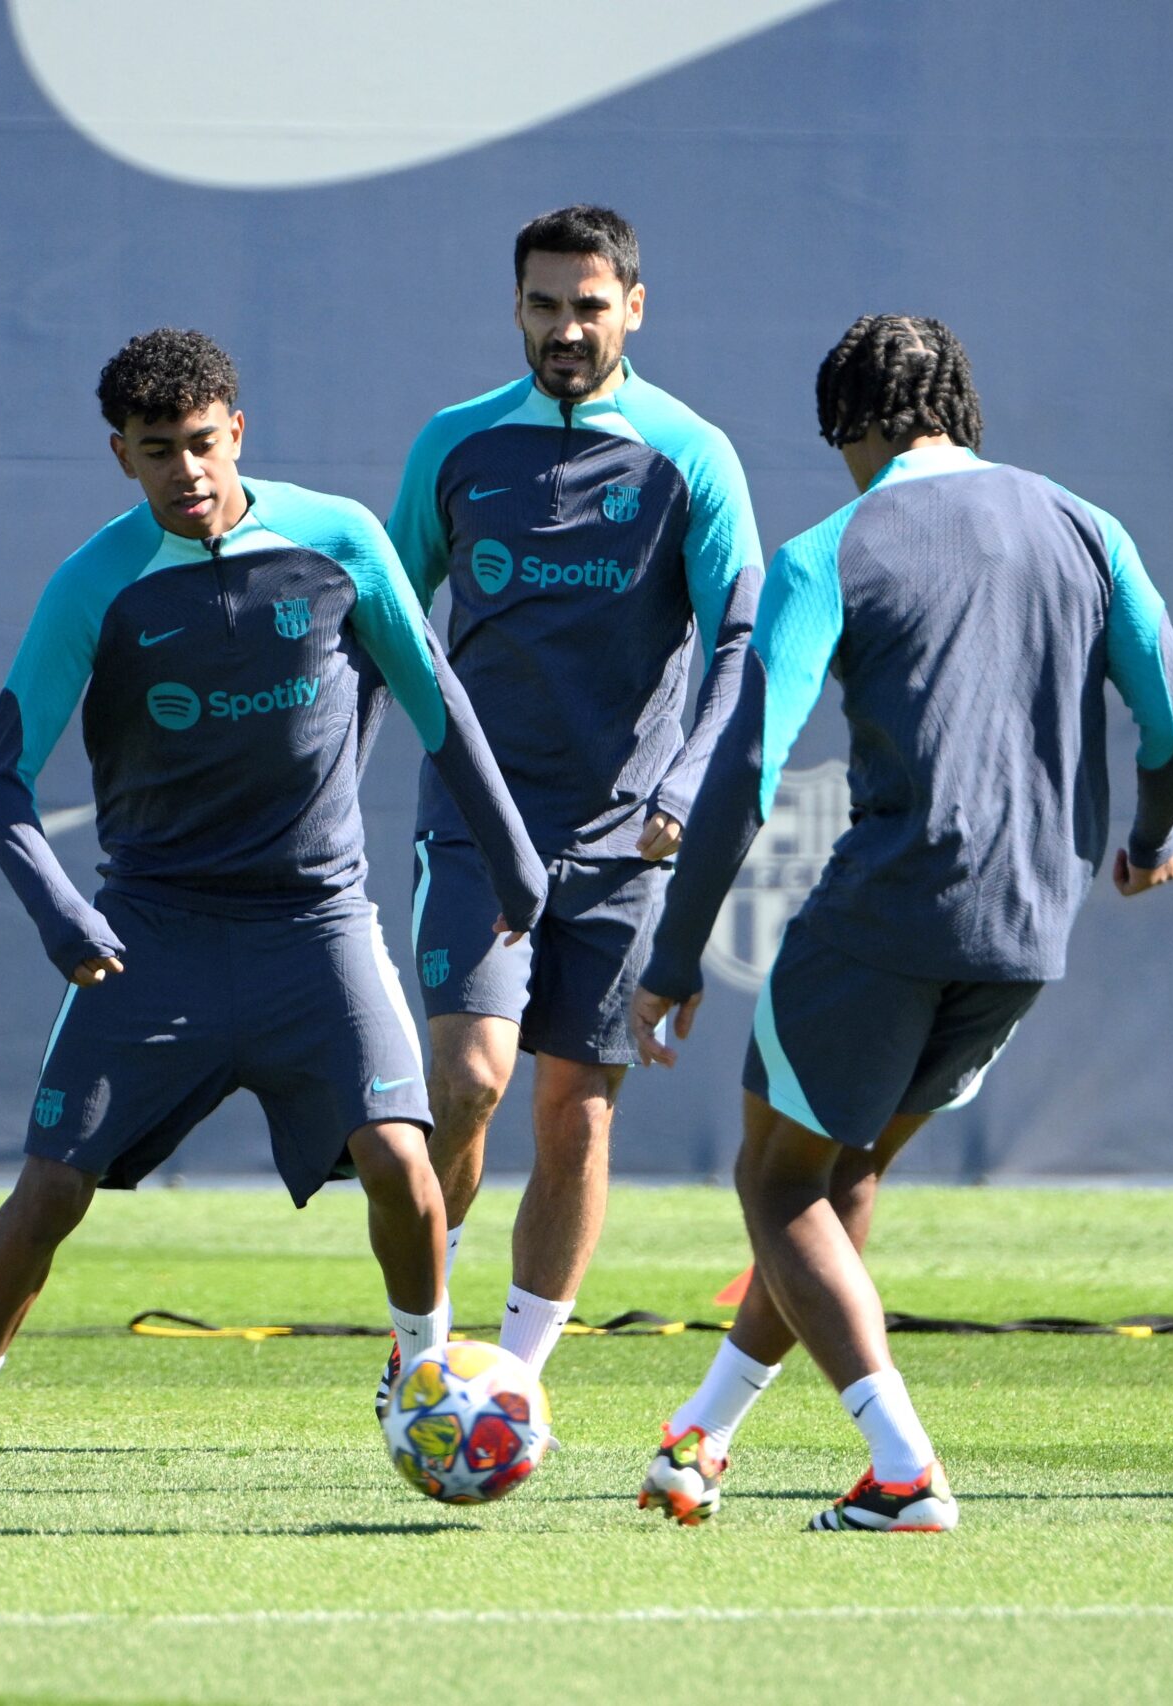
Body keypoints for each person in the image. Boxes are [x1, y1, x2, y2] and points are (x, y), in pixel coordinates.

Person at [0, 328, 546, 1492]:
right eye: (155, 451)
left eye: (201, 441)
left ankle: (426, 1381)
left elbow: (439, 703)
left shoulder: (339, 540)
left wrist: (515, 860)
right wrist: (58, 914)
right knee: (49, 1191)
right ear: (119, 456)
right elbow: (0, 780)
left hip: (318, 929)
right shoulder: (98, 581)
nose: (185, 469)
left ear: (236, 427)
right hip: (154, 938)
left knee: (404, 1161)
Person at [628, 315, 1173, 1531]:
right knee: (839, 1176)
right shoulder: (1088, 527)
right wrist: (1150, 835)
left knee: (777, 1177)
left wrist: (673, 956)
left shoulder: (833, 546)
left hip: (891, 906)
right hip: (1029, 929)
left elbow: (742, 769)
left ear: (847, 426)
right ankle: (701, 1437)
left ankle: (901, 1469)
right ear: (960, 408)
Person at [381, 206, 762, 1407]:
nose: (565, 328)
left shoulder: (690, 453)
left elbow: (744, 636)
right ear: (515, 311)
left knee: (575, 1107)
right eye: (543, 305)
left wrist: (687, 780)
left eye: (588, 305)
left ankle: (513, 1382)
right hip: (476, 820)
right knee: (473, 1078)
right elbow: (383, 618)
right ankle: (418, 1342)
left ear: (632, 308)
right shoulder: (453, 445)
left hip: (620, 836)